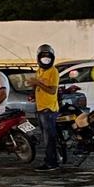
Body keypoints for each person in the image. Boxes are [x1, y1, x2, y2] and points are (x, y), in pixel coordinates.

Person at [33, 44, 60, 172]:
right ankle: (51, 159)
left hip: (48, 110)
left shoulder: (53, 71)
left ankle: (51, 163)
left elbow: (52, 90)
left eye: (48, 56)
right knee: (46, 138)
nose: (45, 59)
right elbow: (39, 88)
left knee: (49, 138)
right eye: (43, 56)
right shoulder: (39, 71)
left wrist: (38, 83)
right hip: (40, 108)